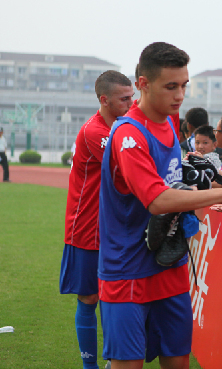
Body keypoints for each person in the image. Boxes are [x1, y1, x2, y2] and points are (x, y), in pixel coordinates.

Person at [97, 42, 222, 369]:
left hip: (169, 264)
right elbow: (157, 199)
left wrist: (217, 177)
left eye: (183, 85)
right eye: (170, 86)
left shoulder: (169, 121)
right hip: (127, 269)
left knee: (179, 361)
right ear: (142, 84)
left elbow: (174, 171)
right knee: (128, 365)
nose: (179, 95)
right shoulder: (128, 135)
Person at [59, 70, 134, 369]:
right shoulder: (96, 132)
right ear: (104, 100)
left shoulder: (121, 127)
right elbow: (128, 168)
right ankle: (90, 366)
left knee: (117, 296)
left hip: (114, 227)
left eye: (132, 96)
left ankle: (114, 361)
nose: (132, 103)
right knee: (89, 297)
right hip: (88, 227)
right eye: (124, 98)